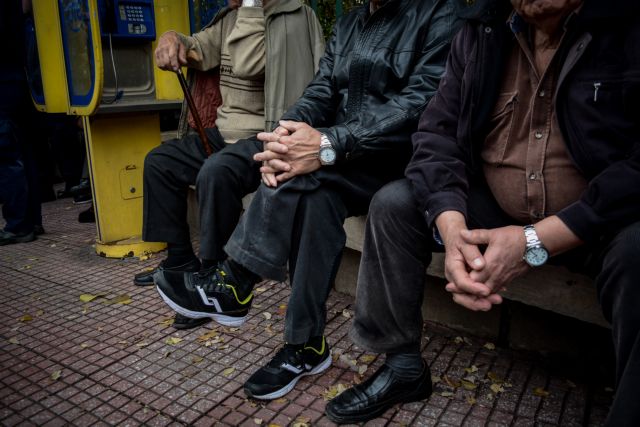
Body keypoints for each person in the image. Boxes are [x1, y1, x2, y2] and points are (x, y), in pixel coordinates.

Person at [329, 0, 640, 424]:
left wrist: (535, 240)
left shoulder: (628, 28)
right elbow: (437, 135)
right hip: (494, 208)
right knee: (395, 204)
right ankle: (402, 366)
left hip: (598, 219)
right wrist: (452, 228)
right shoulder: (482, 31)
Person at [155, 0, 463, 401]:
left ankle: (236, 282)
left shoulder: (440, 13)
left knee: (303, 174)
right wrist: (285, 135)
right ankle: (306, 345)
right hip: (348, 155)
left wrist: (328, 142)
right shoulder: (351, 23)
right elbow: (321, 89)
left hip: (400, 158)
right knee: (310, 192)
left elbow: (419, 103)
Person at [135, 0, 324, 330]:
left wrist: (250, 6)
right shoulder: (231, 18)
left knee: (216, 171)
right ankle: (180, 263)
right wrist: (172, 38)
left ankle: (212, 283)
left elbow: (248, 62)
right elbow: (200, 48)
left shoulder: (291, 16)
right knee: (160, 162)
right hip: (223, 133)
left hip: (266, 134)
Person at [0, 0, 44, 246]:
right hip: (18, 78)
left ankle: (19, 224)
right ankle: (32, 220)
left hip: (4, 81)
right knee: (25, 152)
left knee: (7, 156)